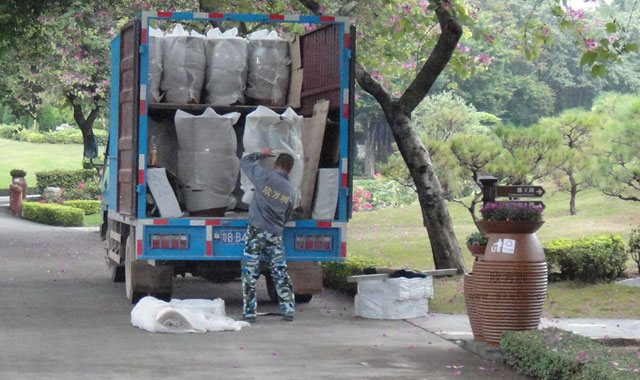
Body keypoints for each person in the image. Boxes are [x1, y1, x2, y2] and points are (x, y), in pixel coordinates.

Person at [239, 147, 296, 323]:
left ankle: (250, 312)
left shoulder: (263, 176)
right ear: (290, 169)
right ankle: (288, 310)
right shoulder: (290, 191)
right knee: (279, 272)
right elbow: (287, 215)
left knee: (249, 271)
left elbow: (244, 162)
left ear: (276, 164)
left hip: (256, 231)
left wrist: (261, 154)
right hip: (275, 234)